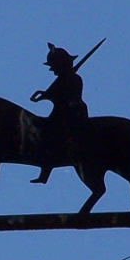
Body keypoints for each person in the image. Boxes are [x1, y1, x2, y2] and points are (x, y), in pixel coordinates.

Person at [29, 43, 89, 184]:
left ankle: (45, 173)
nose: (53, 70)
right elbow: (52, 94)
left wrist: (48, 95)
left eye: (54, 66)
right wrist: (44, 95)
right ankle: (44, 173)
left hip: (71, 114)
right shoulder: (62, 79)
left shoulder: (74, 79)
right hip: (59, 113)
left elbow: (68, 97)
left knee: (51, 138)